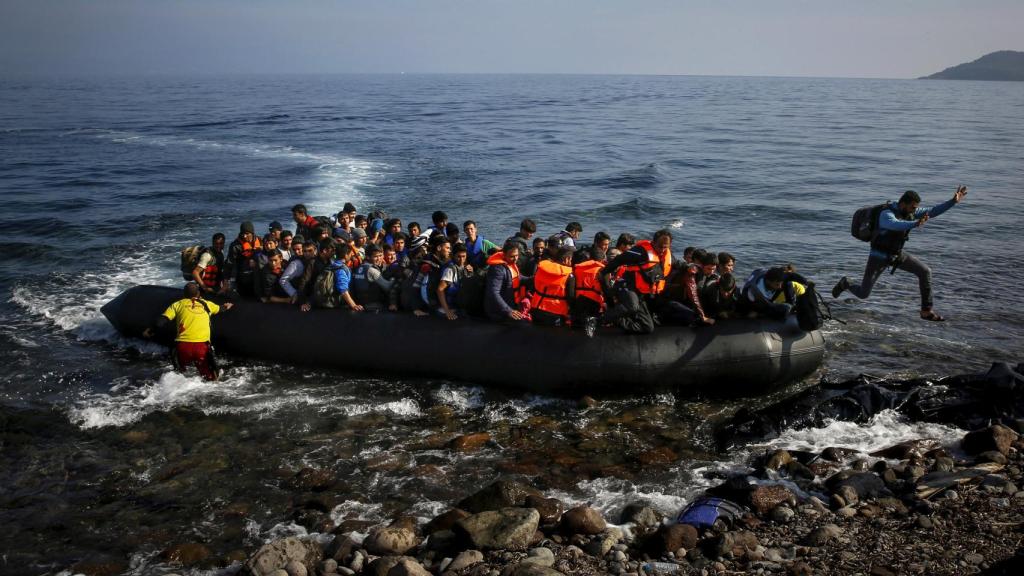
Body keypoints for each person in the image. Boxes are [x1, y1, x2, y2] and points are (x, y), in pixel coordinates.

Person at [833, 186, 968, 321]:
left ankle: (926, 311)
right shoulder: (886, 214)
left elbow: (932, 211)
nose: (915, 210)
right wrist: (915, 223)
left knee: (925, 271)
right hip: (878, 256)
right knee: (863, 293)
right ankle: (846, 283)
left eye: (916, 208)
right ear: (903, 204)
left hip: (896, 255)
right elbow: (896, 224)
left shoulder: (908, 211)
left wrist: (952, 202)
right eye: (913, 207)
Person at [144, 282, 232, 381]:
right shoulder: (207, 304)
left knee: (178, 376)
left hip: (182, 347)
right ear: (198, 294)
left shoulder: (177, 305)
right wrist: (227, 306)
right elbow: (221, 309)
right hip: (201, 347)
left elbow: (161, 321)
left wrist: (149, 331)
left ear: (184, 294)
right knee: (212, 380)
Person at [305, 241, 363, 312]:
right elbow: (343, 289)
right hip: (337, 305)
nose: (351, 256)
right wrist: (353, 305)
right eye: (350, 254)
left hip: (324, 302)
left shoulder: (330, 266)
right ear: (346, 255)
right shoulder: (341, 269)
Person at [530, 247, 576, 327]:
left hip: (536, 308)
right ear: (567, 259)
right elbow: (570, 298)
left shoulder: (541, 268)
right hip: (555, 313)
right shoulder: (569, 275)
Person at [485, 240, 528, 322]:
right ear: (504, 255)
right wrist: (508, 310)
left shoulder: (510, 263)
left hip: (510, 304)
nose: (515, 259)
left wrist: (534, 278)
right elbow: (493, 292)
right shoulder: (498, 269)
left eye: (517, 255)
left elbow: (518, 278)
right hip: (499, 311)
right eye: (512, 256)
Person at [572, 249, 606, 336]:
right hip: (594, 303)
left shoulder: (576, 269)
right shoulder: (601, 271)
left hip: (578, 301)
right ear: (602, 260)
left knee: (579, 322)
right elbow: (607, 290)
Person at [224, 221, 263, 298]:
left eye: (247, 233)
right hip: (243, 277)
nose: (244, 236)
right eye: (243, 234)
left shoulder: (260, 240)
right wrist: (226, 281)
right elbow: (229, 264)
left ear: (252, 233)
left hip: (257, 275)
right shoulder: (235, 245)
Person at [351, 244, 394, 312]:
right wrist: (393, 278)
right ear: (368, 257)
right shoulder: (371, 270)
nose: (379, 259)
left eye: (380, 255)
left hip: (361, 304)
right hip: (374, 306)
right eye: (375, 256)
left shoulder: (360, 267)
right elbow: (388, 287)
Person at [436, 242, 471, 320]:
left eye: (463, 256)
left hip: (458, 301)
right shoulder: (450, 270)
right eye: (458, 257)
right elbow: (440, 290)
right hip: (449, 305)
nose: (461, 259)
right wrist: (447, 310)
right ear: (453, 256)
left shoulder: (464, 267)